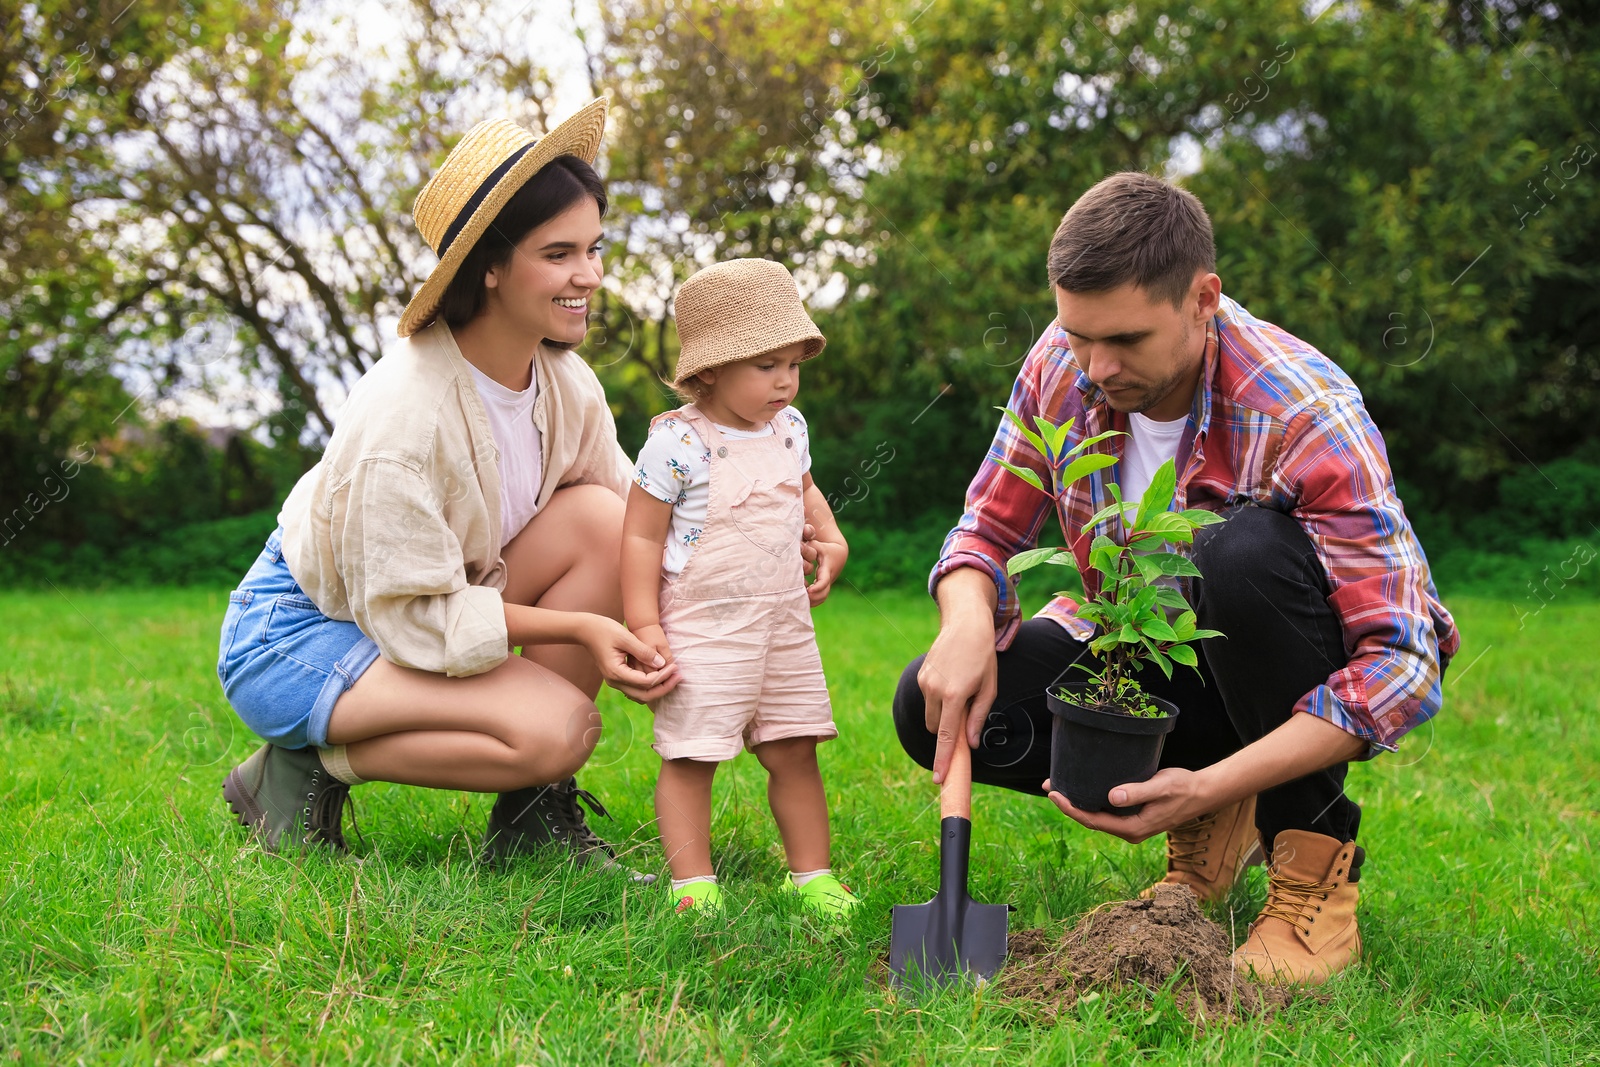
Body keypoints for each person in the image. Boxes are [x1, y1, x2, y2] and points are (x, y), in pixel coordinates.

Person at [892, 171, 1460, 984]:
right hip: (1154, 662)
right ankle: (1216, 817)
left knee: (1235, 551)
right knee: (925, 706)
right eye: (1077, 334)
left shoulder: (1302, 409)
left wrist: (1207, 786)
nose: (1093, 366)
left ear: (1203, 299)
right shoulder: (1065, 362)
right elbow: (985, 526)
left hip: (1289, 669)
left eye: (1123, 340)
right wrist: (965, 616)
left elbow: (1400, 665)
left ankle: (1310, 866)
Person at [216, 100, 679, 877]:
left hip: (429, 601)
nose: (589, 276)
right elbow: (416, 616)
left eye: (594, 248)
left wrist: (755, 538)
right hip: (300, 633)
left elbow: (638, 518)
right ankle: (302, 770)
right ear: (489, 267)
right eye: (559, 253)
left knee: (604, 518)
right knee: (556, 730)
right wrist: (583, 632)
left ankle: (531, 826)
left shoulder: (565, 380)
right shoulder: (406, 414)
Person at [619, 259, 857, 917]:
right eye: (765, 365)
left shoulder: (791, 428)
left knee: (794, 747)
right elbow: (638, 537)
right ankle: (693, 883)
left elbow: (805, 492)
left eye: (793, 362)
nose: (785, 379)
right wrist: (645, 624)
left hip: (782, 623)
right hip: (703, 625)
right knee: (693, 755)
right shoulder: (677, 443)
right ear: (710, 369)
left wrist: (829, 538)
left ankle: (812, 875)